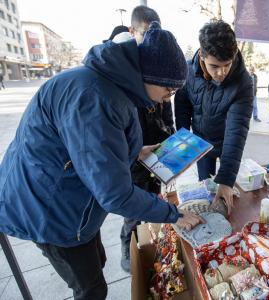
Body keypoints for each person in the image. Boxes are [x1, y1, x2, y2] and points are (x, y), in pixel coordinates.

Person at [0, 22, 203, 300]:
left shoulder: (111, 85)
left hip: (67, 197)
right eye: (168, 91)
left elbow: (93, 149)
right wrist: (173, 215)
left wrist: (137, 151)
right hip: (50, 210)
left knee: (96, 264)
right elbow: (115, 195)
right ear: (149, 76)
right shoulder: (94, 99)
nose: (167, 98)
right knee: (90, 289)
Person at [110, 6, 177, 273]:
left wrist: (171, 139)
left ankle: (151, 243)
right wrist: (135, 151)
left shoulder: (159, 72)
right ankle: (129, 249)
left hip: (156, 152)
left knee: (155, 200)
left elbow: (166, 111)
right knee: (134, 210)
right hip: (135, 157)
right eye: (146, 35)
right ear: (132, 32)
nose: (151, 44)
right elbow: (114, 193)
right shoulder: (126, 80)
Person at [174, 20, 253, 214]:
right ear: (201, 55)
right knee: (205, 189)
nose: (222, 73)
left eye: (227, 64)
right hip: (201, 144)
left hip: (227, 143)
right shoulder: (187, 71)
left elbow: (237, 131)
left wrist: (226, 180)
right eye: (215, 66)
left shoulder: (243, 82)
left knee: (225, 191)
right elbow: (182, 107)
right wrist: (184, 143)